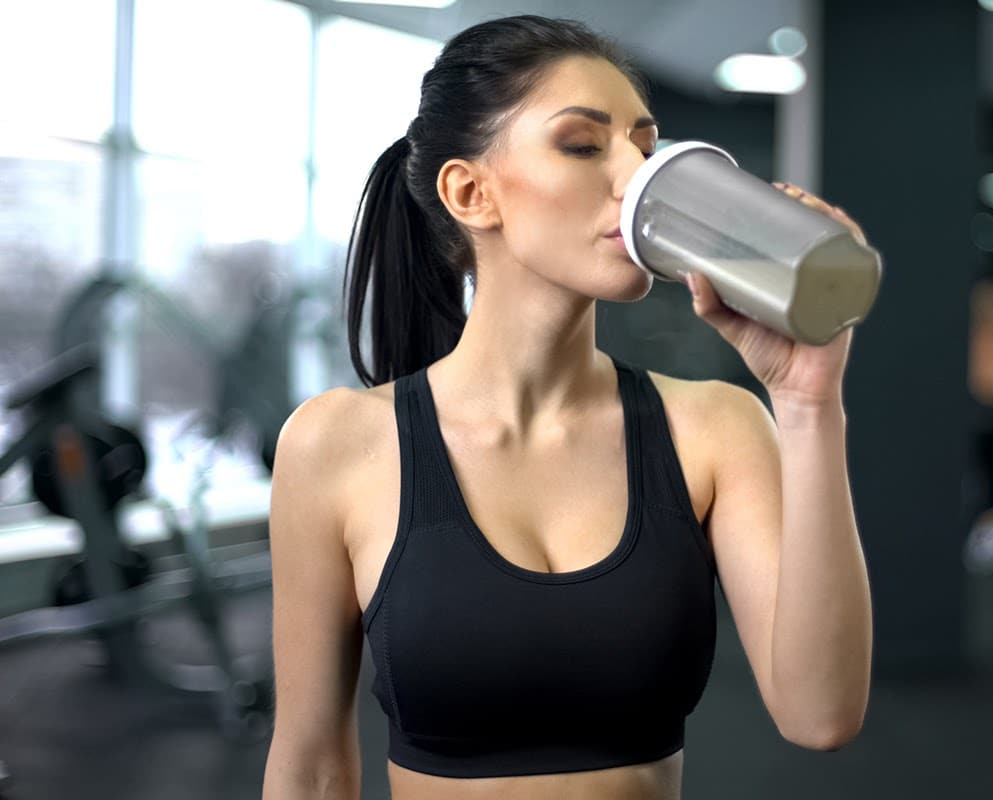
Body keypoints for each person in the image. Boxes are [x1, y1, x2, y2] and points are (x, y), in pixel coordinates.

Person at [261, 14, 871, 800]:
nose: (634, 179)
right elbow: (310, 768)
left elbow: (821, 715)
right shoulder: (336, 446)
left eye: (645, 149)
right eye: (584, 146)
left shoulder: (715, 429)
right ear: (471, 192)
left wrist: (809, 400)